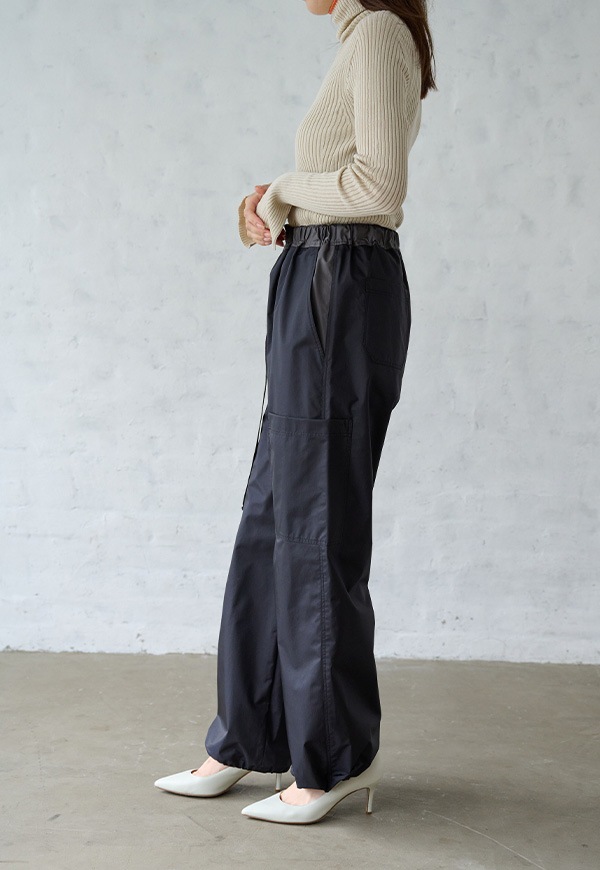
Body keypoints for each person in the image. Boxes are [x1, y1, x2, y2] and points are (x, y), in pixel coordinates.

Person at [154, 0, 437, 825]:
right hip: (319, 275)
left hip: (341, 285)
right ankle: (248, 737)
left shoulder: (379, 32)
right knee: (271, 515)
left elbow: (378, 186)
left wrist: (280, 189)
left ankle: (334, 758)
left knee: (317, 524)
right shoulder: (360, 40)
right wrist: (277, 210)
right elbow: (344, 185)